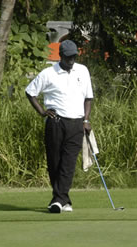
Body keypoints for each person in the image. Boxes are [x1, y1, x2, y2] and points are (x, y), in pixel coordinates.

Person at [26, 40, 94, 213]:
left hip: (77, 123)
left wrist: (86, 120)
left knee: (69, 162)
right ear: (61, 56)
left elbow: (88, 97)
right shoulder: (48, 73)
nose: (71, 60)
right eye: (68, 57)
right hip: (56, 123)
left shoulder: (82, 71)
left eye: (74, 56)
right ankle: (64, 200)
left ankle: (58, 199)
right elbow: (30, 92)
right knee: (55, 161)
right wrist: (42, 112)